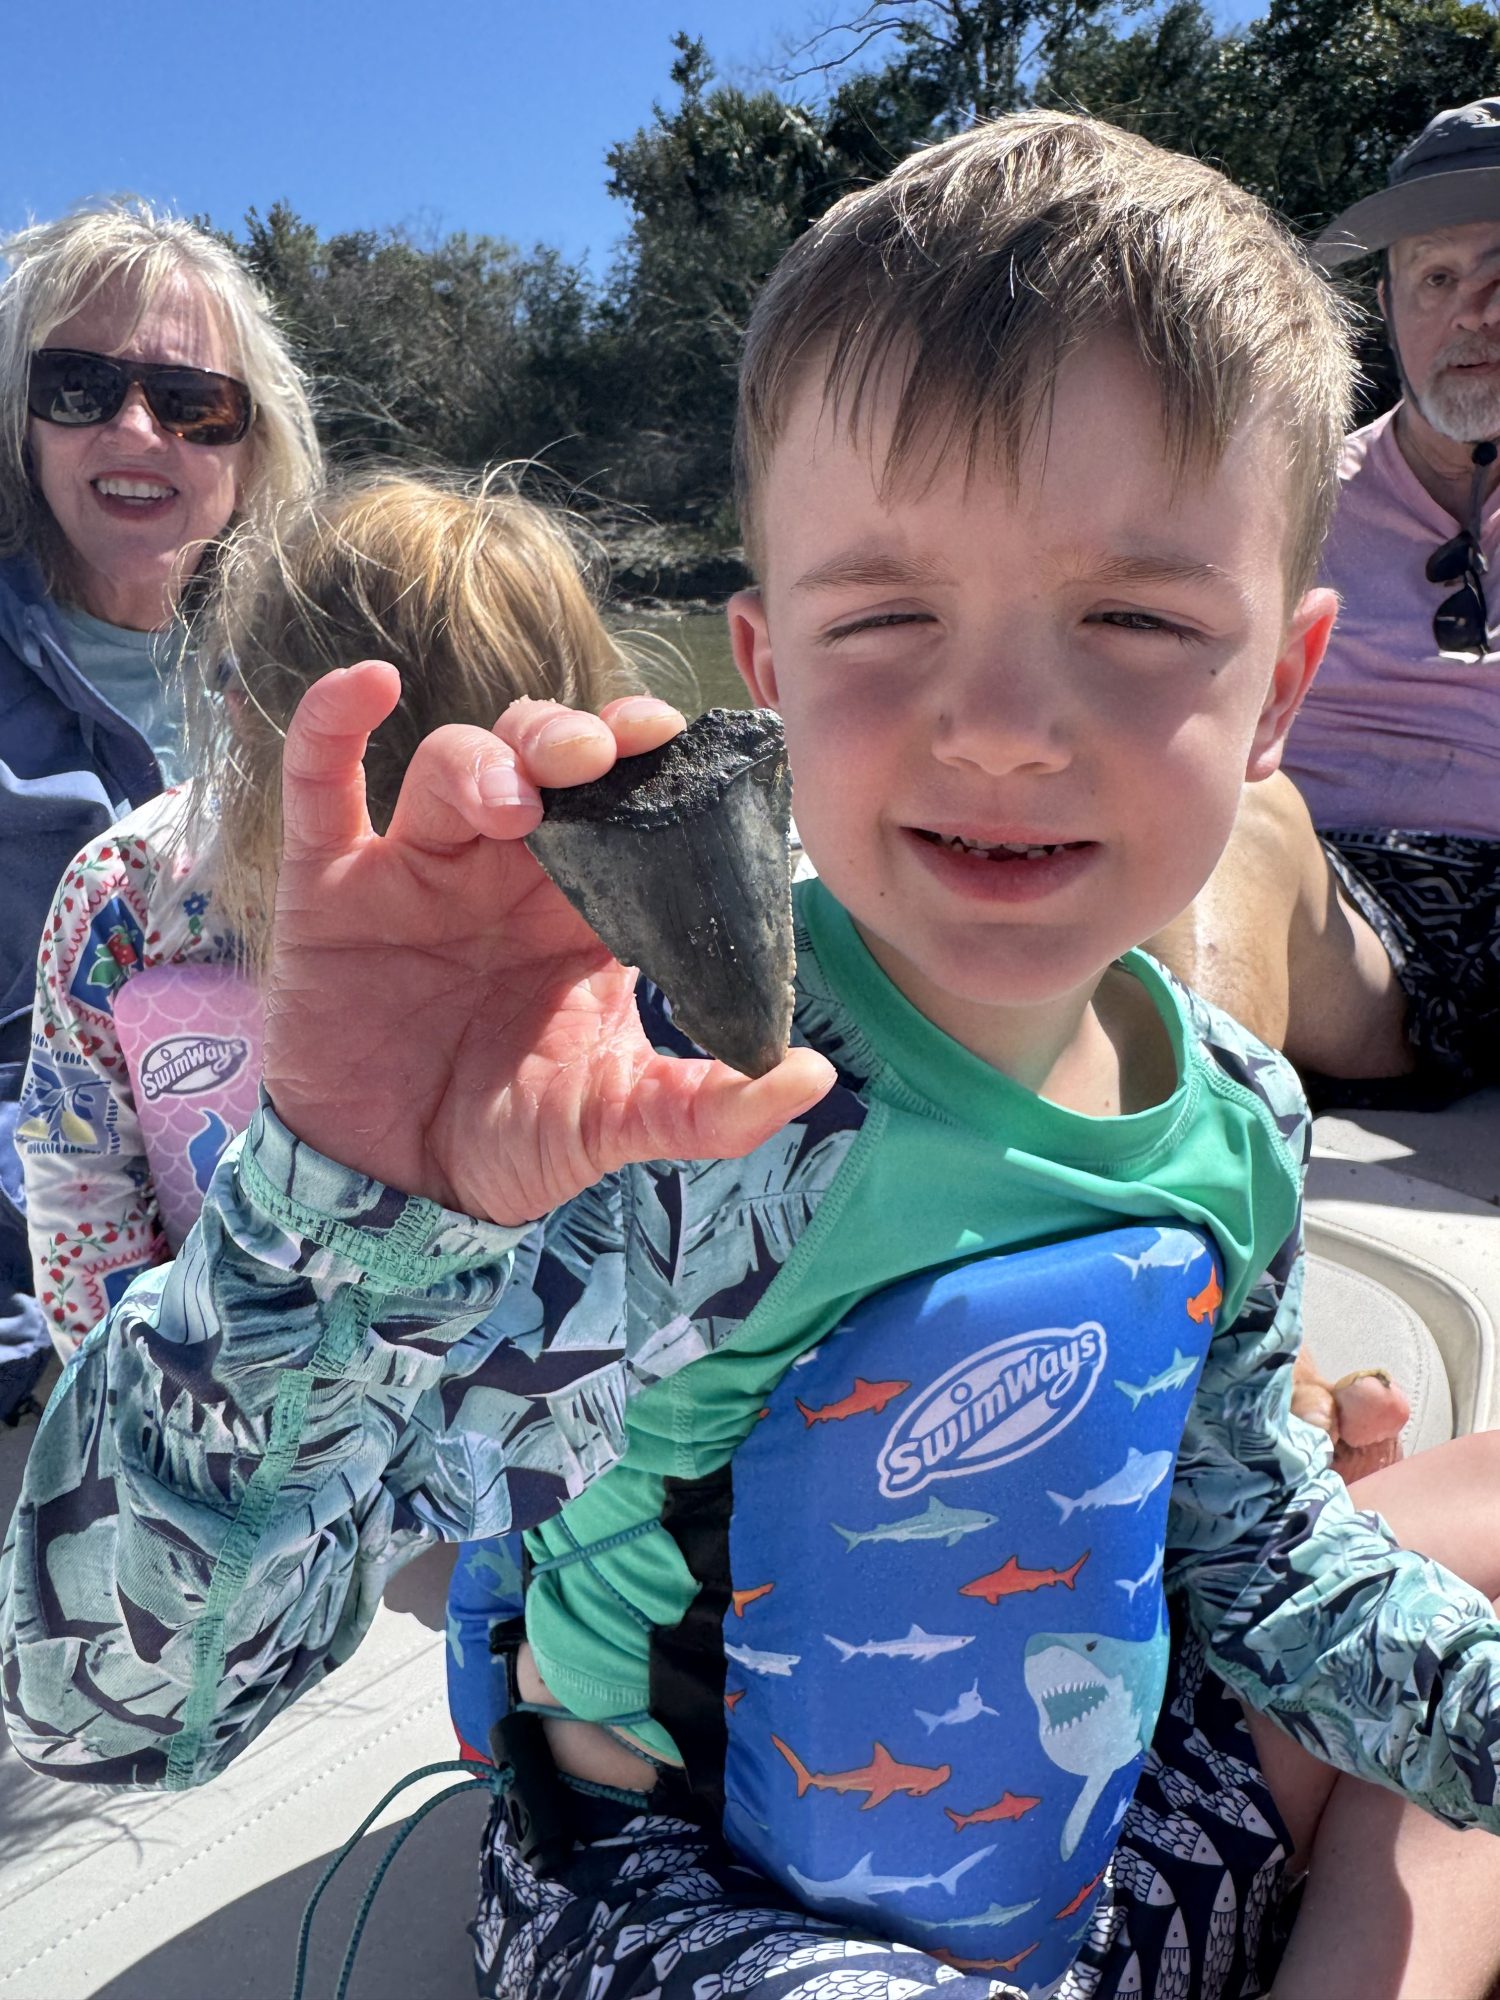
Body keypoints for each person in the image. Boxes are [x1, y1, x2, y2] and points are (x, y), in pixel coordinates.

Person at [8, 112, 1500, 2000]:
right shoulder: (670, 1120)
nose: (1008, 726)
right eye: (888, 615)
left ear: (1280, 686)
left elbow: (1265, 1570)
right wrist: (345, 1211)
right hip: (685, 1906)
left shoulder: (1240, 1118)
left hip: (1096, 1853)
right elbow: (115, 1708)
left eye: (1132, 616)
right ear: (765, 668)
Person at [17, 469, 643, 1361]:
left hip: (207, 1386)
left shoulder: (120, 890)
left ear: (242, 708)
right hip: (484, 1397)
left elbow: (78, 1206)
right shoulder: (598, 906)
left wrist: (137, 1391)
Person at [0, 198, 319, 1417]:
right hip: (39, 1358)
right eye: (79, 385)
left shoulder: (328, 663)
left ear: (249, 448)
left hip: (306, 1316)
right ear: (23, 426)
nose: (139, 426)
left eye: (195, 402)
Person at [1151, 98, 1500, 1102]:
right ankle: (1183, 1191)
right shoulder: (1286, 499)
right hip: (1335, 918)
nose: (1476, 312)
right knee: (1235, 819)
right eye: (1439, 277)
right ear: (1390, 307)